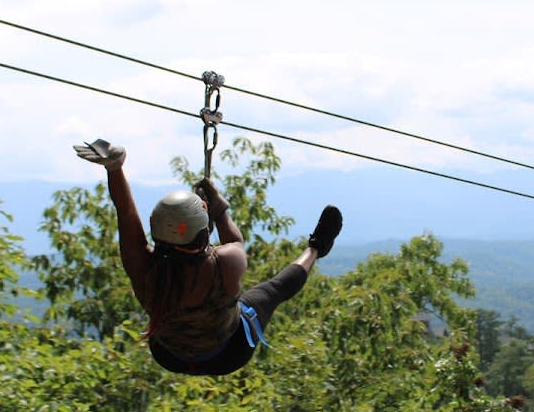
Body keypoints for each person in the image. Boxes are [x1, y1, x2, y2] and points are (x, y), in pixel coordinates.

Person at [74, 138, 342, 375]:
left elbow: (125, 211)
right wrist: (219, 209)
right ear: (203, 232)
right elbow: (235, 241)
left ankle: (316, 248)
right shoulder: (225, 263)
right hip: (229, 354)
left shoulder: (142, 266)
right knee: (273, 290)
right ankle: (316, 248)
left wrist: (115, 167)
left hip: (170, 355)